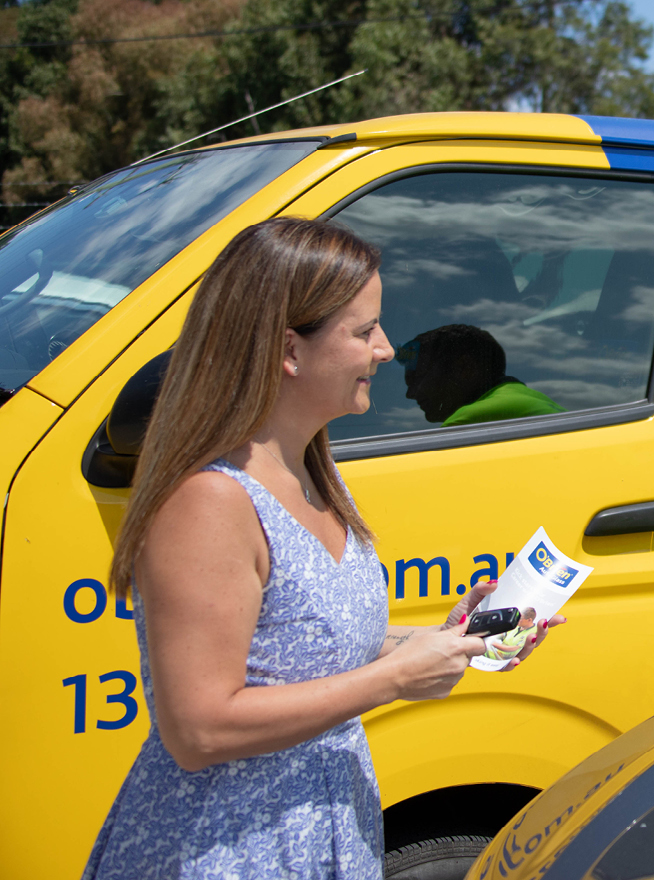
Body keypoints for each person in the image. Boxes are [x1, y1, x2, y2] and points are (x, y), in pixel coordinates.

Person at [83, 218, 564, 880]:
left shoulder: (313, 469)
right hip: (227, 850)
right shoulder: (211, 500)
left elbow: (305, 649)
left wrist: (445, 639)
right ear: (289, 350)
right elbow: (199, 731)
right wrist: (395, 680)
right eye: (365, 330)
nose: (387, 350)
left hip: (317, 831)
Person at [397, 323, 564, 426]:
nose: (410, 394)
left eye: (417, 380)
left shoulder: (473, 420)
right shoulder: (539, 402)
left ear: (465, 368)